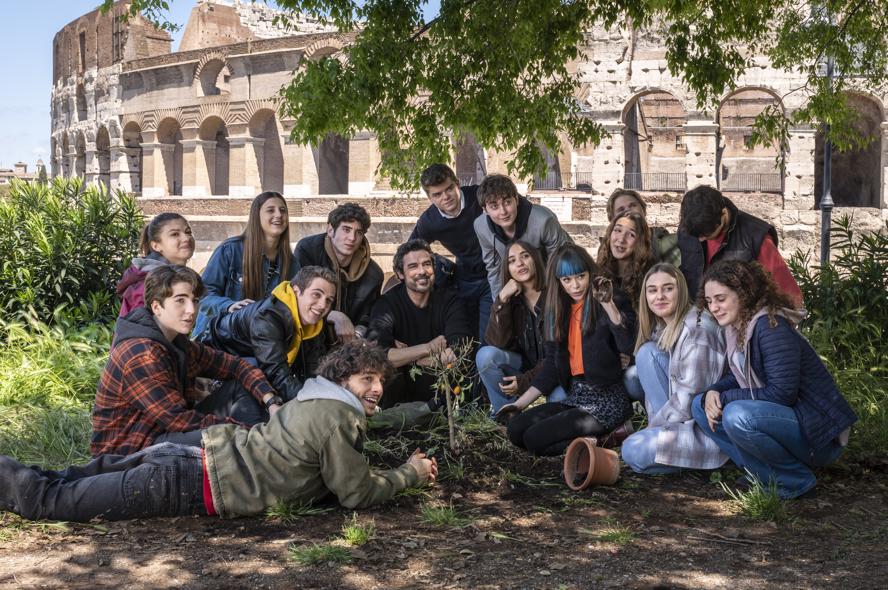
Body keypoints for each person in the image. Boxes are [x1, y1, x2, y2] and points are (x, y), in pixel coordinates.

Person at [0, 341, 438, 522]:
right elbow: (356, 492)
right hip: (191, 480)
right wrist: (410, 474)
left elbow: (376, 421)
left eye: (380, 381)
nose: (377, 388)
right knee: (52, 501)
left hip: (191, 454)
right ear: (344, 381)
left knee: (72, 477)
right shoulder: (338, 418)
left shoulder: (314, 399)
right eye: (367, 380)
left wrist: (422, 409)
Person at [692, 260, 856, 499]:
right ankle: (762, 474)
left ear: (743, 294)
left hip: (818, 434)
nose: (714, 307)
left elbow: (782, 394)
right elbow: (738, 377)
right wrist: (714, 392)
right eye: (709, 301)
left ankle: (794, 480)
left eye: (720, 298)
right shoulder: (736, 327)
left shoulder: (771, 327)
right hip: (786, 422)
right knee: (699, 405)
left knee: (737, 414)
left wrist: (724, 398)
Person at [93, 266, 281, 457]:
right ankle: (258, 448)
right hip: (129, 451)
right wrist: (246, 429)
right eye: (180, 301)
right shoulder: (141, 353)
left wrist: (271, 401)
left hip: (162, 432)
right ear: (157, 307)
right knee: (225, 436)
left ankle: (256, 450)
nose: (191, 310)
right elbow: (178, 420)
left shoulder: (178, 343)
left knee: (240, 388)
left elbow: (236, 366)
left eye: (194, 301)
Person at [501, 244, 636, 456]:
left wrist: (609, 305)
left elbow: (628, 344)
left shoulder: (608, 298)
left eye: (580, 276)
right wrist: (519, 404)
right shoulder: (558, 310)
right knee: (516, 430)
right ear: (558, 282)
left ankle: (605, 439)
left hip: (606, 400)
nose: (575, 286)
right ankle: (593, 439)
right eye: (567, 280)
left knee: (534, 440)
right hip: (576, 396)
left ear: (590, 273)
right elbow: (552, 365)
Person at [620, 263, 728, 474]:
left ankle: (683, 458)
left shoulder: (697, 333)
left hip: (705, 429)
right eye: (652, 290)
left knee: (632, 450)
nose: (659, 296)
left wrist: (651, 431)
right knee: (646, 355)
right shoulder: (663, 325)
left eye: (668, 288)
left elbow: (689, 402)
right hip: (680, 420)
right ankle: (663, 444)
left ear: (681, 290)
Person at [197, 266, 336, 401]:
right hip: (215, 358)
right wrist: (309, 403)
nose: (323, 305)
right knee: (258, 369)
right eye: (316, 295)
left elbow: (313, 368)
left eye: (328, 300)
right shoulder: (268, 317)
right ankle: (217, 390)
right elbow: (274, 371)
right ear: (296, 291)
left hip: (252, 359)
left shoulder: (314, 324)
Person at [367, 239, 473, 407]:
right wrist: (428, 348)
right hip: (398, 399)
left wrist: (407, 358)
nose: (422, 271)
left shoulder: (451, 301)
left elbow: (457, 354)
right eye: (413, 266)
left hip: (442, 394)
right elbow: (380, 356)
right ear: (400, 274)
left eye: (427, 264)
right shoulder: (386, 305)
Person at [476, 241, 566, 415]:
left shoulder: (555, 295)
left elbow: (557, 356)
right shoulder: (512, 301)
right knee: (486, 356)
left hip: (555, 369)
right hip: (524, 363)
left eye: (525, 256)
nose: (519, 263)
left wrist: (526, 381)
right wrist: (502, 300)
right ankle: (506, 414)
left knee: (558, 399)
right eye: (512, 260)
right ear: (508, 269)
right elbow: (496, 342)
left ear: (536, 260)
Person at [193, 191, 298, 339]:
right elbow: (203, 296)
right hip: (217, 337)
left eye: (283, 210)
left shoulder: (292, 263)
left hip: (258, 340)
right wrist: (229, 306)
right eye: (270, 210)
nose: (279, 215)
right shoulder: (230, 250)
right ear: (256, 216)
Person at [677, 185, 802, 307]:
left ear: (724, 214)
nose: (701, 239)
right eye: (697, 235)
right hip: (696, 318)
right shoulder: (690, 229)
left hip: (740, 321)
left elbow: (789, 295)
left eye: (707, 233)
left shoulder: (756, 236)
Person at [411, 163, 490, 340]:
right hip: (464, 277)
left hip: (493, 274)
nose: (445, 197)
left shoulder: (479, 196)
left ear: (457, 183)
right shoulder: (429, 221)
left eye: (448, 189)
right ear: (429, 197)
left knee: (487, 337)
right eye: (437, 194)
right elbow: (410, 250)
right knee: (464, 335)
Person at [474, 173, 572, 301]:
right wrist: (500, 305)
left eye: (507, 202)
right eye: (494, 206)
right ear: (485, 210)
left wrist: (551, 300)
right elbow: (494, 269)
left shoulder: (543, 220)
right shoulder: (481, 227)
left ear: (517, 199)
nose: (503, 211)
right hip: (518, 282)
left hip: (552, 277)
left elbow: (562, 263)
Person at [294, 203, 383, 342]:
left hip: (351, 344)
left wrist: (357, 334)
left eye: (358, 232)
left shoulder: (374, 274)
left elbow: (369, 316)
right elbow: (295, 298)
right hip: (307, 334)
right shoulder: (308, 250)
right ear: (330, 230)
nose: (352, 238)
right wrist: (334, 315)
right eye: (346, 229)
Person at [116, 213, 195, 318]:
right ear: (156, 246)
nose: (186, 238)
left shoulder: (172, 277)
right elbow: (139, 329)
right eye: (175, 234)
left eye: (188, 232)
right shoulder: (148, 285)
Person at [596, 210, 656, 307]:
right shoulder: (597, 272)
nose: (621, 239)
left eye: (631, 234)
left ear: (639, 242)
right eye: (618, 230)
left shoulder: (649, 278)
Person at [606, 188, 680, 266]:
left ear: (643, 210)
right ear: (612, 219)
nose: (628, 211)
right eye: (621, 209)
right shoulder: (606, 251)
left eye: (633, 205)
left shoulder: (667, 244)